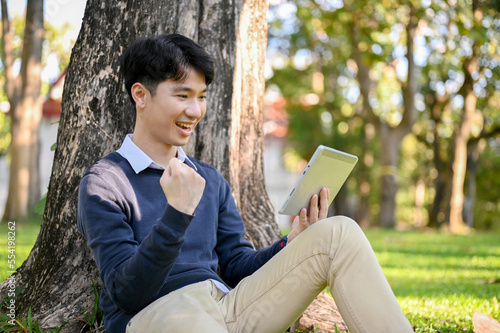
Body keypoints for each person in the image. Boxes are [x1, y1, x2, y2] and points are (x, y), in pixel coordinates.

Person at [77, 33, 414, 333]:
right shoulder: (106, 182)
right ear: (140, 94)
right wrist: (176, 215)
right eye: (182, 96)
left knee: (339, 234)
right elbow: (128, 293)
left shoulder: (208, 178)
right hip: (159, 314)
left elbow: (237, 265)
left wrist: (291, 242)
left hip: (230, 306)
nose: (195, 110)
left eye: (201, 96)